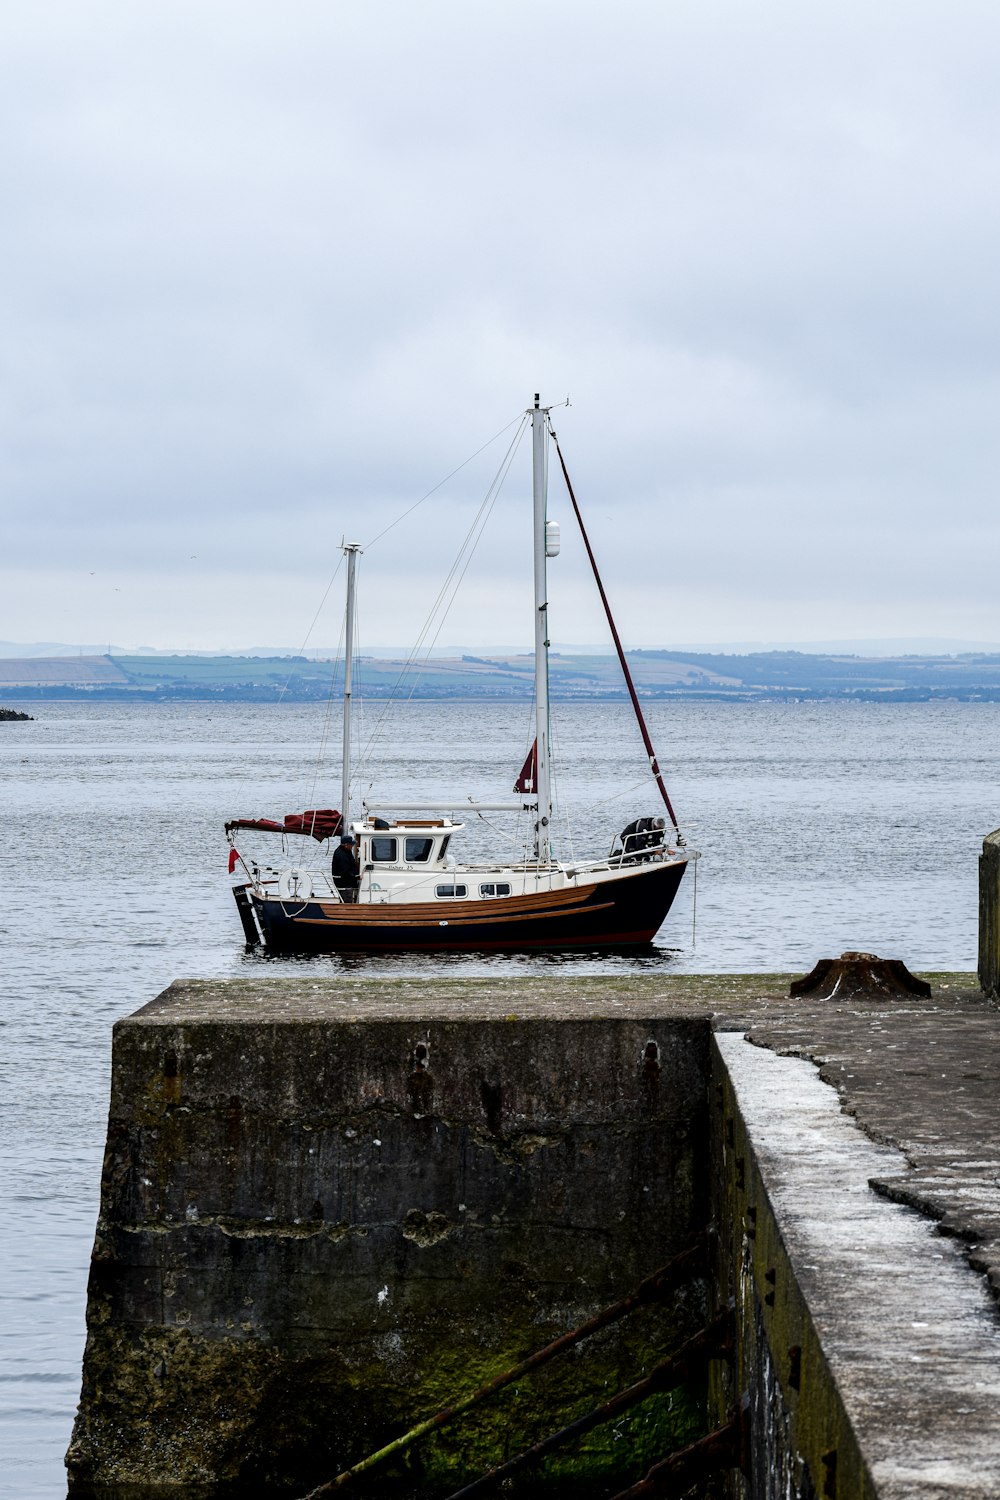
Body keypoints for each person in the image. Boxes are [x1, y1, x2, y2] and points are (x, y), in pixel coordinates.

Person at [332, 835, 360, 903]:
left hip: (346, 883)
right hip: (344, 884)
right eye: (351, 844)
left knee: (346, 898)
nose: (352, 846)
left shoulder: (345, 851)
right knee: (347, 900)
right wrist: (356, 876)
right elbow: (345, 871)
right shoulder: (342, 856)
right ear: (346, 845)